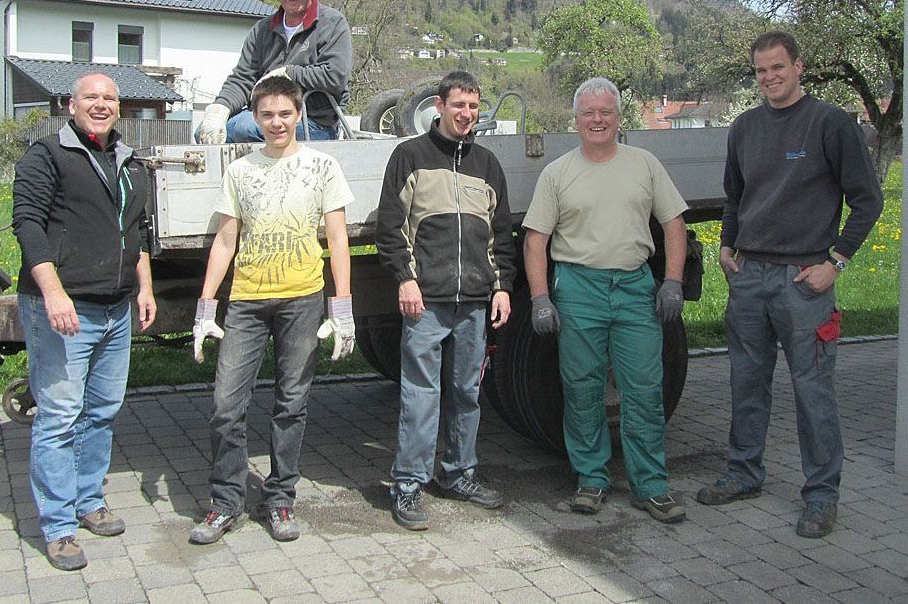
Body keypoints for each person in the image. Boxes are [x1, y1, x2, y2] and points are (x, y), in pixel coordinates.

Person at [696, 31, 883, 539]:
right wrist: (727, 246)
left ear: (799, 67)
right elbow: (734, 197)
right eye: (760, 71)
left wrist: (837, 262)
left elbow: (868, 201)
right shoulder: (744, 128)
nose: (769, 78)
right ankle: (743, 473)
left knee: (812, 389)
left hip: (805, 281)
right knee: (746, 380)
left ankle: (822, 496)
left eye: (778, 68)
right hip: (750, 276)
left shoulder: (830, 123)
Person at [189, 76, 355, 545]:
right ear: (255, 119)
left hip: (302, 298)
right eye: (267, 115)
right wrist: (206, 306)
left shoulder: (322, 167)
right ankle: (226, 503)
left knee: (291, 404)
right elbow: (225, 240)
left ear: (298, 115)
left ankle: (280, 498)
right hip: (245, 300)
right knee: (225, 406)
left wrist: (341, 305)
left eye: (285, 113)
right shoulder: (241, 170)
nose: (276, 122)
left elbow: (337, 238)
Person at [522, 76, 688, 524]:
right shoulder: (557, 172)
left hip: (635, 289)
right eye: (589, 113)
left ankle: (650, 486)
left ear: (619, 118)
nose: (598, 120)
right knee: (582, 390)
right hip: (578, 290)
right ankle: (591, 480)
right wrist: (541, 299)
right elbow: (535, 240)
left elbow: (674, 224)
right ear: (575, 121)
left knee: (645, 391)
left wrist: (671, 282)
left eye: (606, 112)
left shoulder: (645, 164)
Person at [12, 73, 157, 571]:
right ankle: (58, 527)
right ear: (70, 106)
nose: (101, 105)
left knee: (101, 411)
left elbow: (135, 231)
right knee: (58, 417)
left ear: (120, 107)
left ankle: (89, 500)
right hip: (64, 310)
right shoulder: (47, 156)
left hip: (116, 309)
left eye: (109, 98)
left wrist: (146, 288)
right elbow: (27, 224)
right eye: (90, 98)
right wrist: (53, 294)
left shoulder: (129, 162)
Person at [375, 70, 515, 531]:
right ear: (439, 105)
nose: (467, 115)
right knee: (420, 395)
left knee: (467, 393)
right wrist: (405, 279)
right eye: (459, 105)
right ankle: (409, 484)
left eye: (474, 107)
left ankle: (458, 473)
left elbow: (502, 234)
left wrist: (502, 286)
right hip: (426, 301)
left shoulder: (488, 164)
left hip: (475, 301)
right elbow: (391, 228)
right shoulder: (409, 156)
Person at [196, 0, 352, 144]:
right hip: (267, 116)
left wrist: (290, 74)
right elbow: (244, 78)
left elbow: (335, 75)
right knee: (204, 132)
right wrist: (220, 107)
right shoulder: (262, 30)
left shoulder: (332, 23)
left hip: (313, 122)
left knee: (244, 129)